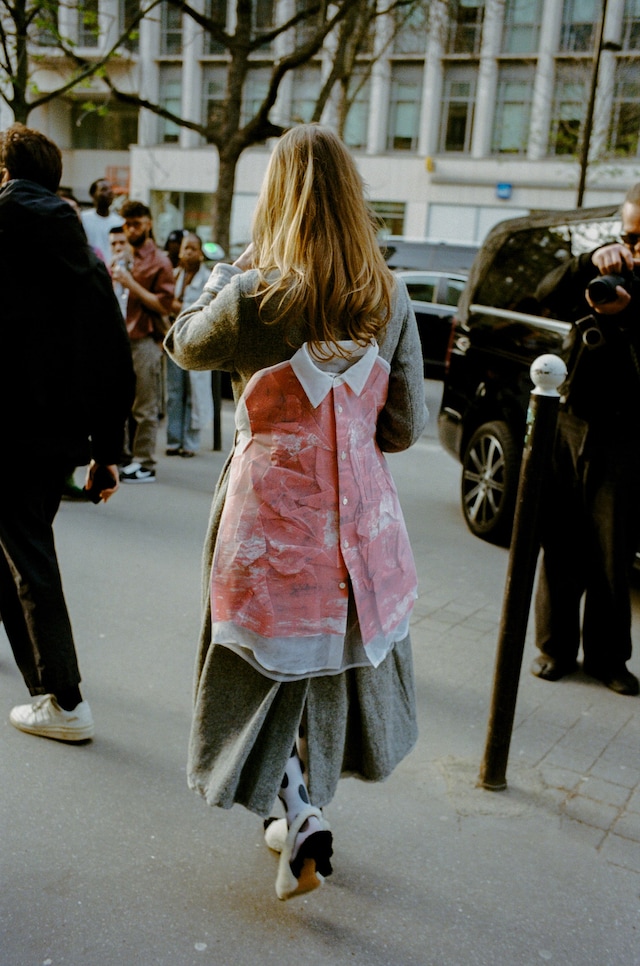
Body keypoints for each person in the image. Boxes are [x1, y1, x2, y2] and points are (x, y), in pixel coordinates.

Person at [165, 125, 427, 900]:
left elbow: (183, 345)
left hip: (268, 525)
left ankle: (297, 810)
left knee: (257, 668)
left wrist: (221, 278)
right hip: (358, 531)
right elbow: (405, 427)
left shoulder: (255, 296)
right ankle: (305, 808)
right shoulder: (392, 294)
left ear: (274, 199)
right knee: (325, 671)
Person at [0, 123, 135, 740]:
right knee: (18, 546)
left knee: (28, 553)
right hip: (54, 435)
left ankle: (66, 698)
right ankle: (45, 683)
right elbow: (112, 357)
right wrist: (108, 453)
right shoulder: (85, 257)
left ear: (5, 174)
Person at [531, 183, 640, 697]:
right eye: (626, 234)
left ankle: (607, 659)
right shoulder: (602, 271)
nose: (630, 248)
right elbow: (543, 293)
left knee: (612, 550)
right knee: (562, 540)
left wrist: (630, 312)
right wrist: (586, 262)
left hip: (624, 432)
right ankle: (554, 648)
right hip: (570, 421)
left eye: (639, 239)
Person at [113, 200, 175, 483]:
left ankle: (145, 463)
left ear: (148, 223)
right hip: (122, 338)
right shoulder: (127, 256)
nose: (130, 229)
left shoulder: (159, 261)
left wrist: (130, 284)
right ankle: (125, 457)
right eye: (127, 224)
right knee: (122, 402)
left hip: (146, 339)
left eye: (135, 223)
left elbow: (164, 305)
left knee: (145, 405)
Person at [166, 233, 212, 457]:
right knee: (174, 393)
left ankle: (190, 444)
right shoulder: (174, 275)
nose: (189, 252)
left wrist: (175, 306)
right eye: (186, 248)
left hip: (197, 340)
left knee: (194, 394)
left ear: (201, 253)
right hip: (174, 340)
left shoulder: (208, 279)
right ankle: (173, 440)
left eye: (194, 248)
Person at [81, 178, 123, 262]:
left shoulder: (119, 221)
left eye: (111, 189)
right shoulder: (83, 218)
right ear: (93, 195)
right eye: (104, 189)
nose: (110, 192)